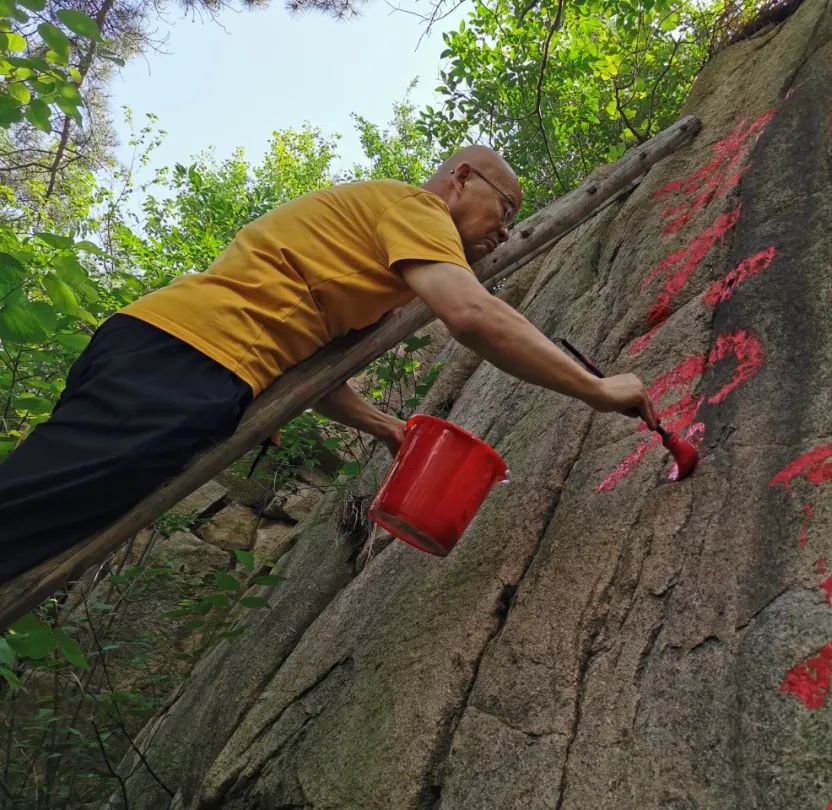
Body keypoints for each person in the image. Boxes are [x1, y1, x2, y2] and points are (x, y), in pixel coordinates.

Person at [0, 145, 659, 583]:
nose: (507, 232)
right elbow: (473, 316)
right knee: (33, 507)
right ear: (459, 179)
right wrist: (596, 387)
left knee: (48, 523)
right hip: (189, 355)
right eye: (505, 208)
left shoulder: (372, 261)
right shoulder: (416, 209)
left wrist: (388, 430)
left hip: (175, 353)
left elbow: (314, 375)